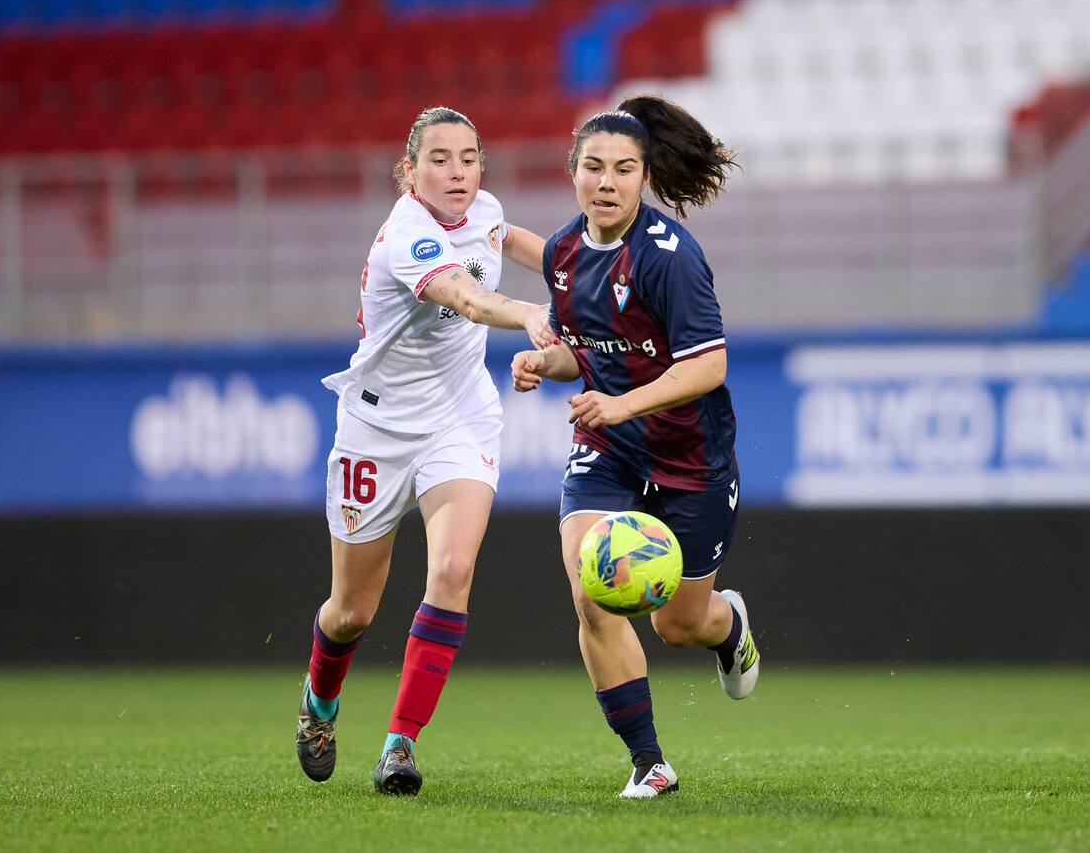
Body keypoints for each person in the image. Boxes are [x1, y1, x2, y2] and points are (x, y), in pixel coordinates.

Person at [296, 106, 552, 796]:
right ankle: (320, 704)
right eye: (440, 159)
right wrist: (531, 312)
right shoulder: (405, 235)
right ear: (409, 171)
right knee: (351, 612)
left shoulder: (483, 208)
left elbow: (512, 238)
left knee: (453, 567)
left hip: (459, 420)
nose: (457, 171)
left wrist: (581, 264)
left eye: (469, 157)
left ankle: (400, 744)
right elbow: (466, 298)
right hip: (375, 432)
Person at [510, 96, 759, 798]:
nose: (607, 182)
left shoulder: (669, 257)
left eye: (623, 169)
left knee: (677, 627)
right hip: (607, 448)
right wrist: (543, 362)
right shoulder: (563, 253)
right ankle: (649, 763)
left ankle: (728, 623)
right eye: (594, 167)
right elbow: (583, 353)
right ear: (573, 172)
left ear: (645, 177)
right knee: (592, 590)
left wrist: (620, 402)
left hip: (691, 459)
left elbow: (708, 366)